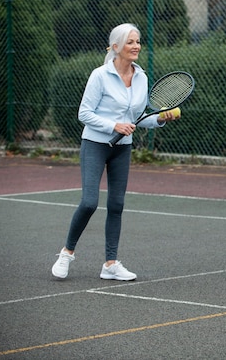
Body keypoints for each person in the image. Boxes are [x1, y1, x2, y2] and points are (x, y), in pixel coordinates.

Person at [51, 23, 180, 281]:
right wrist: (113, 125)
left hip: (122, 148)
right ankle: (67, 252)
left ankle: (110, 264)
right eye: (130, 42)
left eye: (138, 41)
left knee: (117, 205)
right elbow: (84, 114)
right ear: (115, 47)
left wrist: (161, 120)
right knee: (89, 202)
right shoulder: (99, 75)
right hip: (95, 145)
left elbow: (139, 118)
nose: (136, 46)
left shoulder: (141, 77)